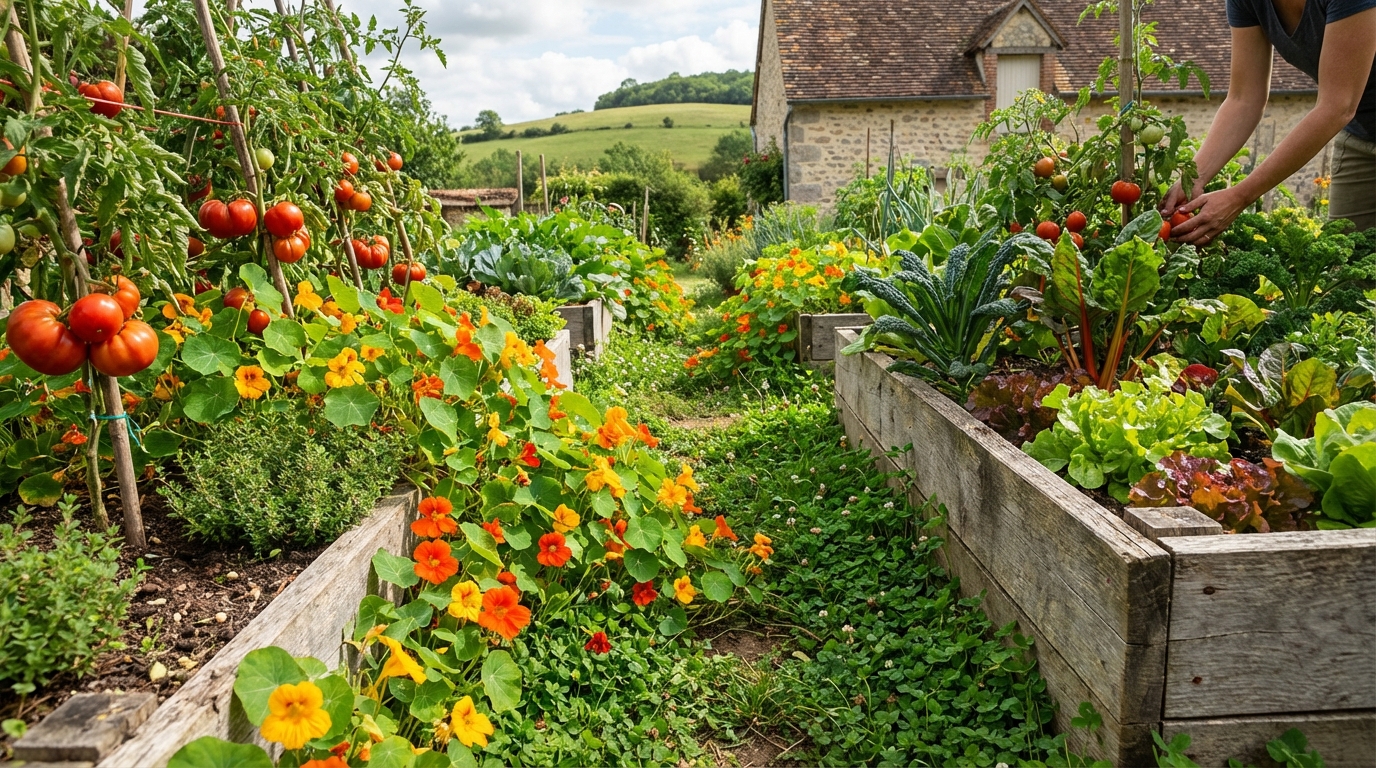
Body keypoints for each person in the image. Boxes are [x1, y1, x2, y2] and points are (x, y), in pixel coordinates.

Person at [1163, 0, 1376, 241]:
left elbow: (1337, 107)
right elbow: (1244, 99)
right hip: (1360, 138)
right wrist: (1194, 177)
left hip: (1350, 118)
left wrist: (1239, 196)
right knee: (1349, 255)